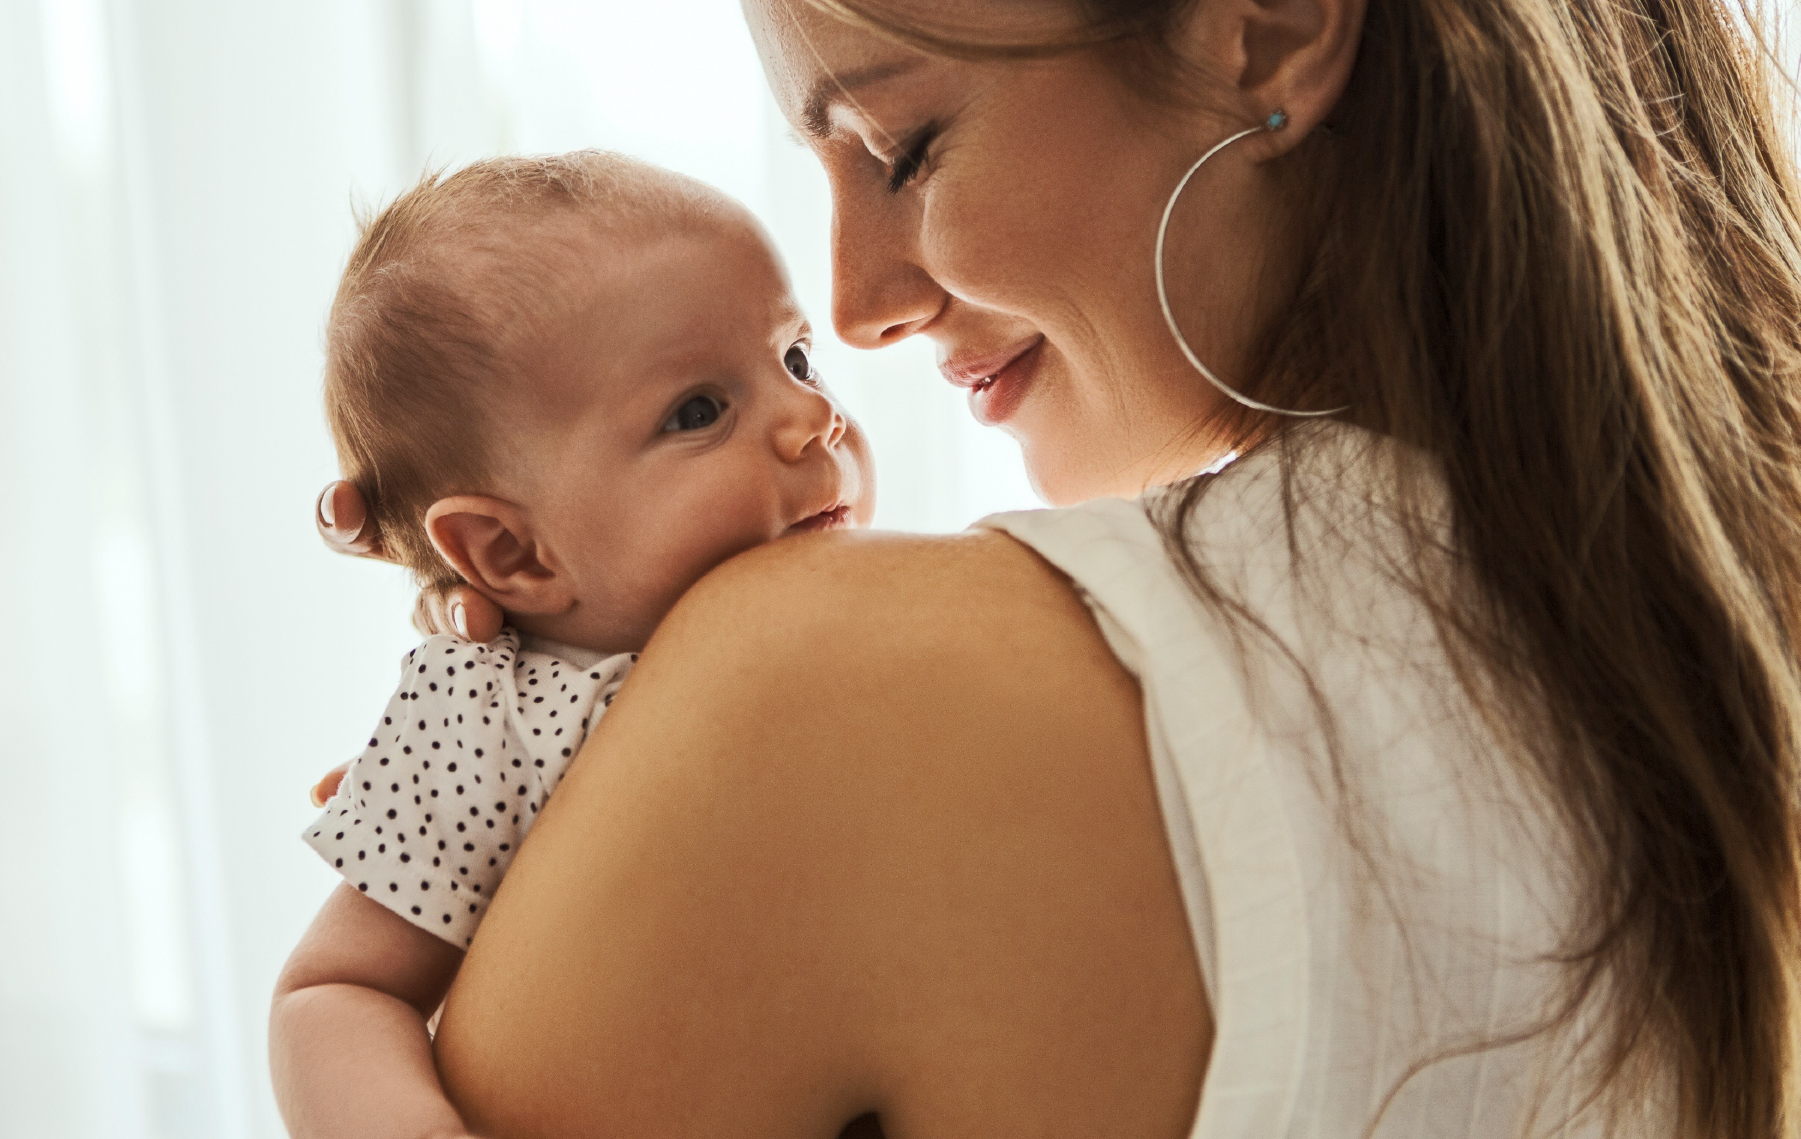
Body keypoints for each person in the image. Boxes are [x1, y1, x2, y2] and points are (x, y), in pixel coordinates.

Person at [285, 0, 1801, 1135]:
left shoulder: (823, 684)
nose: (856, 313)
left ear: (1266, 29)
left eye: (903, 146)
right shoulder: (1724, 616)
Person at [269, 151, 874, 1138]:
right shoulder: (491, 716)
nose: (814, 416)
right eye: (698, 409)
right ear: (511, 549)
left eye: (795, 358)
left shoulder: (881, 614)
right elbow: (333, 988)